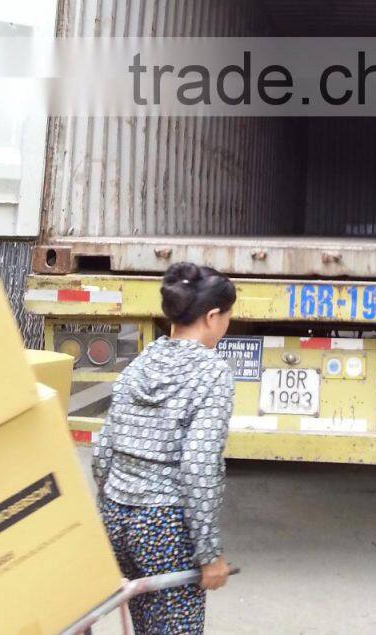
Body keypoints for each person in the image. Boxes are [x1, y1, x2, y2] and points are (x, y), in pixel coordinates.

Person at [92, 262, 237, 633]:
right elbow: (198, 466)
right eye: (228, 317)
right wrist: (209, 553)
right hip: (164, 528)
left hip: (117, 518)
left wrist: (113, 512)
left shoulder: (143, 360)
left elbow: (103, 453)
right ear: (212, 316)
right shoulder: (212, 371)